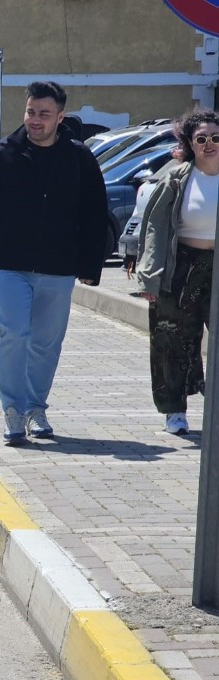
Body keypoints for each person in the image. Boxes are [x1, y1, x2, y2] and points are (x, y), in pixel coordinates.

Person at [0, 81, 107, 445]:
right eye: (31, 112)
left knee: (46, 342)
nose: (35, 120)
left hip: (59, 267)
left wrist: (92, 266)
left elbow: (94, 214)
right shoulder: (2, 155)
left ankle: (35, 407)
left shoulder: (79, 158)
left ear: (60, 117)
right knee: (14, 333)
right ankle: (12, 410)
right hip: (12, 265)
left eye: (44, 114)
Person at [136, 108, 217, 435]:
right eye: (201, 139)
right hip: (182, 264)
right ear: (190, 143)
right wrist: (149, 276)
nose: (209, 144)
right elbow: (154, 229)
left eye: (215, 137)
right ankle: (174, 410)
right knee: (172, 338)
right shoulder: (177, 178)